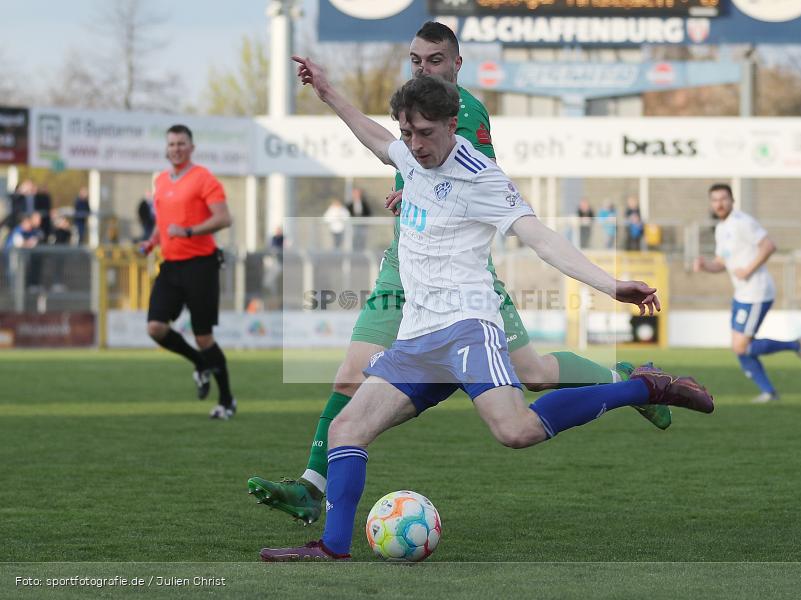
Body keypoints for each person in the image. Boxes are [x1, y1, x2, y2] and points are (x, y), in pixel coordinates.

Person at [258, 63, 714, 562]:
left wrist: (610, 284)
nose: (414, 145)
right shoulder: (410, 158)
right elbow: (373, 136)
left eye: (426, 134)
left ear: (453, 125)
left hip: (467, 331)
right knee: (346, 428)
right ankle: (332, 547)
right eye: (408, 133)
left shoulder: (483, 177)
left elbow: (540, 238)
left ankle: (645, 387)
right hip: (416, 340)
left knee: (515, 431)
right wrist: (329, 93)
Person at [140, 124, 236, 419]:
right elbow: (164, 221)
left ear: (191, 147)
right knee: (155, 327)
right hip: (170, 265)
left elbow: (224, 218)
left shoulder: (204, 178)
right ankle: (200, 363)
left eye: (181, 143)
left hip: (201, 265)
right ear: (166, 148)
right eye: (171, 144)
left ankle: (227, 401)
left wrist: (189, 231)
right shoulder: (160, 181)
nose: (176, 148)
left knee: (203, 336)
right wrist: (152, 240)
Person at [694, 183, 801, 403]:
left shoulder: (743, 222)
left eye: (723, 199)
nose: (719, 203)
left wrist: (748, 269)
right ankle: (769, 392)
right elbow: (721, 262)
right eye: (715, 200)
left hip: (757, 291)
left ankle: (796, 345)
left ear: (732, 200)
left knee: (741, 346)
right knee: (739, 348)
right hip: (742, 294)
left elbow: (768, 246)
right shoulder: (721, 229)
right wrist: (705, 265)